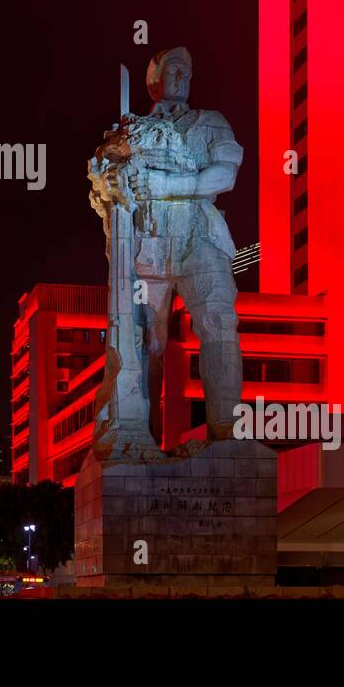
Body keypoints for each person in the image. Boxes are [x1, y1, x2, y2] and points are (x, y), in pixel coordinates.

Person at [88, 47, 244, 456]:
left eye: (187, 71)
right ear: (153, 82)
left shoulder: (211, 123)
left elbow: (223, 176)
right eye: (172, 71)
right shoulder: (129, 132)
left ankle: (226, 426)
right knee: (145, 337)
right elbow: (104, 180)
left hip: (199, 234)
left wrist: (163, 185)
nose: (181, 77)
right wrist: (108, 180)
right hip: (148, 240)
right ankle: (138, 432)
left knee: (220, 320)